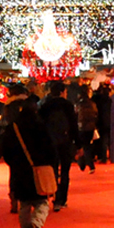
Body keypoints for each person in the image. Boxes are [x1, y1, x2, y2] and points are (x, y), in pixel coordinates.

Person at [0, 85, 58, 228]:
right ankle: (36, 224)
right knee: (42, 203)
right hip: (40, 168)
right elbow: (50, 147)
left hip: (20, 170)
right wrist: (51, 165)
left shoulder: (14, 127)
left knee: (24, 204)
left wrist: (14, 164)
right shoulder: (41, 126)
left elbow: (6, 149)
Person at [38, 80, 80, 209]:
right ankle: (62, 200)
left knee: (53, 170)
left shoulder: (45, 106)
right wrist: (78, 144)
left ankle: (54, 194)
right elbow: (73, 125)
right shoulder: (68, 105)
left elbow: (40, 125)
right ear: (62, 92)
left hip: (50, 142)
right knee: (65, 171)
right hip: (65, 141)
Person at [76, 88, 99, 172]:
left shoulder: (79, 104)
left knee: (82, 146)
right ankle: (88, 163)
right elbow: (96, 114)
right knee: (88, 146)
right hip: (90, 127)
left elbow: (76, 115)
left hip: (81, 127)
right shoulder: (92, 104)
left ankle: (83, 163)